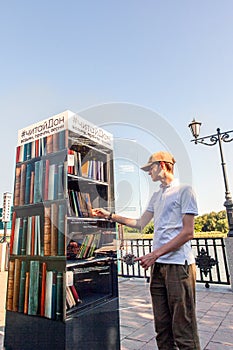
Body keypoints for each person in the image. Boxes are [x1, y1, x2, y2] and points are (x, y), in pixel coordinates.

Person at [92, 151, 201, 350]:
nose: (148, 172)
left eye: (150, 168)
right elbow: (141, 223)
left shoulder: (185, 191)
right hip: (158, 267)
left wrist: (155, 254)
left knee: (183, 329)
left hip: (179, 267)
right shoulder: (157, 195)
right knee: (162, 328)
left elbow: (187, 233)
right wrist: (110, 215)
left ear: (162, 165)